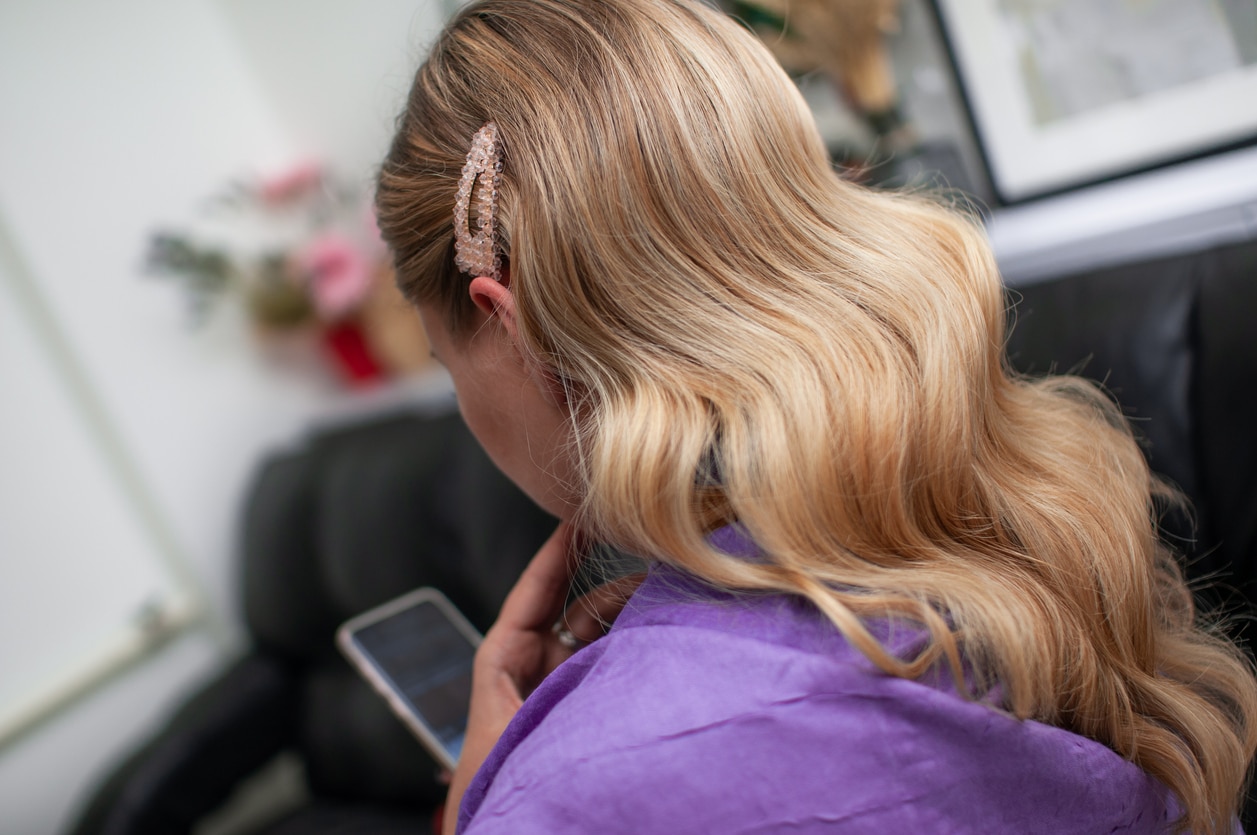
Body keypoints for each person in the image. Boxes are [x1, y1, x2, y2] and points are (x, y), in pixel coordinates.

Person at [374, 1, 1257, 832]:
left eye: (442, 360)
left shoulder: (575, 784)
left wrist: (488, 794)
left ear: (508, 324)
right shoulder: (1024, 500)